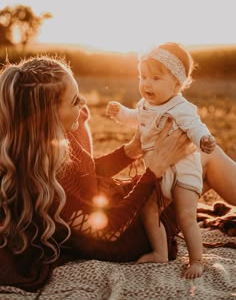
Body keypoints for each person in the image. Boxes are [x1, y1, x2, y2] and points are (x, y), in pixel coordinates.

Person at [0, 56, 235, 291]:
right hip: (127, 234)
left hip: (117, 208)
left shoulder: (48, 142)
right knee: (206, 160)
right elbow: (111, 233)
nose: (83, 103)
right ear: (47, 114)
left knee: (198, 160)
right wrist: (154, 168)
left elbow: (86, 173)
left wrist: (131, 151)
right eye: (74, 101)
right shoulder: (48, 188)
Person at [106, 42, 216, 279]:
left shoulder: (181, 108)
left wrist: (204, 140)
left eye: (155, 78)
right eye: (143, 76)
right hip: (157, 174)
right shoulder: (144, 105)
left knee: (186, 216)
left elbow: (195, 128)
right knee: (148, 209)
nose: (146, 83)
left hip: (183, 175)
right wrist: (121, 113)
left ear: (177, 84)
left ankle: (196, 260)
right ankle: (160, 252)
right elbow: (136, 119)